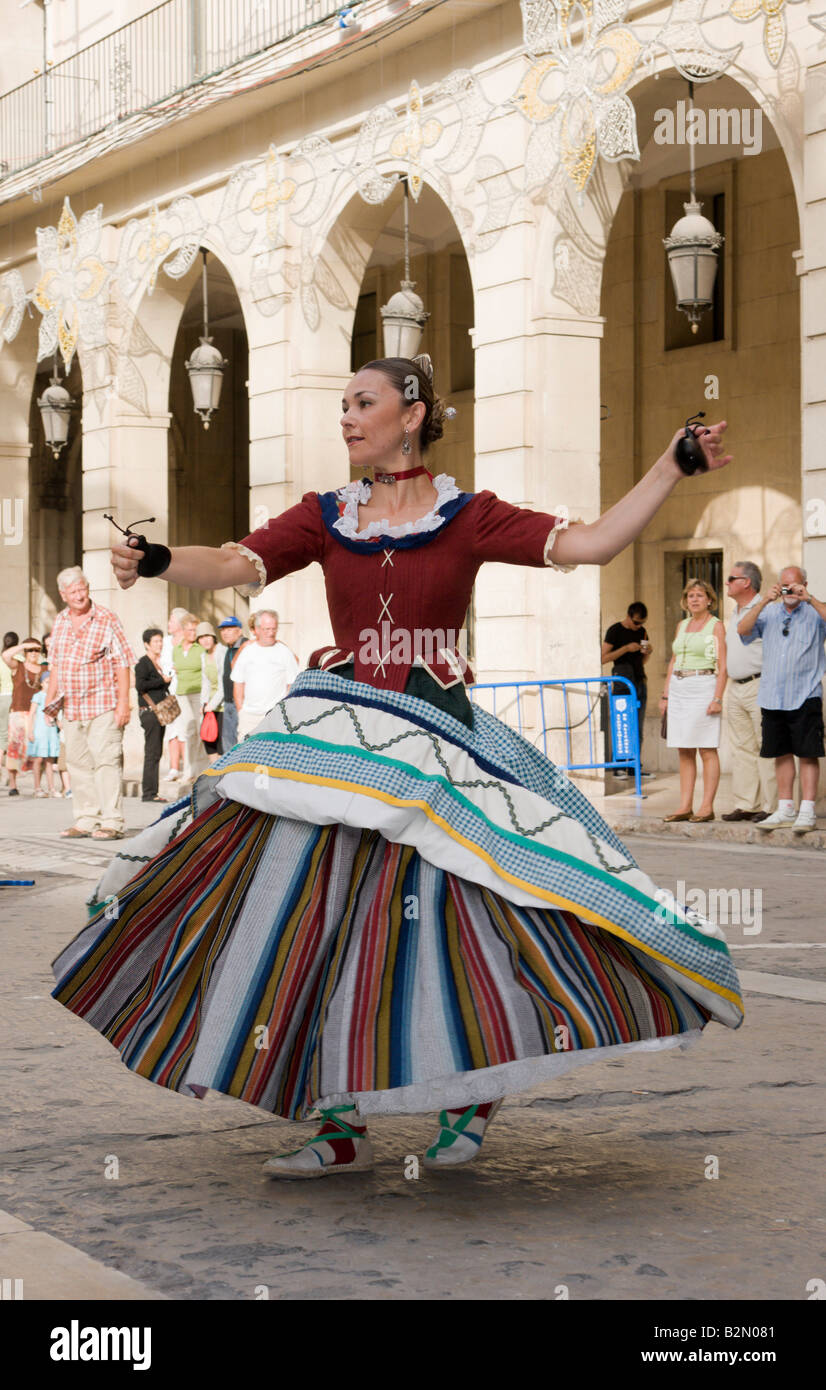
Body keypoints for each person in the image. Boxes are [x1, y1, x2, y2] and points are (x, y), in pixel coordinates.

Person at [52, 357, 742, 1183]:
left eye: (363, 403)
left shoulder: (470, 515)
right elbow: (237, 563)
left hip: (438, 743)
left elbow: (588, 544)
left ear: (411, 415)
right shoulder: (324, 515)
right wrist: (160, 560)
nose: (346, 418)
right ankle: (338, 1126)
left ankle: (470, 1098)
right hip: (343, 743)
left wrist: (672, 464)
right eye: (343, 405)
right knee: (316, 923)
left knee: (465, 926)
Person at [43, 566, 136, 840]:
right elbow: (56, 666)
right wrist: (50, 704)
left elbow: (123, 663)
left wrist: (123, 704)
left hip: (103, 704)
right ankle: (86, 820)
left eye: (83, 589)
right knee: (78, 764)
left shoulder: (106, 618)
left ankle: (112, 821)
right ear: (63, 595)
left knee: (106, 761)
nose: (79, 595)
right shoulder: (60, 621)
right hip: (71, 707)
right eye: (73, 591)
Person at [738, 566, 826, 833]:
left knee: (808, 754)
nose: (789, 591)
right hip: (773, 695)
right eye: (785, 586)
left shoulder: (814, 611)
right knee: (781, 753)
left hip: (805, 694)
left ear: (804, 584)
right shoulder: (770, 612)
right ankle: (785, 808)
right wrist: (764, 599)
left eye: (794, 585)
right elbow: (743, 630)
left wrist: (808, 597)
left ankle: (807, 810)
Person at [659, 579, 726, 823]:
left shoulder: (716, 626)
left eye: (699, 595)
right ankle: (684, 806)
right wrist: (666, 694)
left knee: (706, 748)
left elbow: (723, 664)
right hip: (679, 688)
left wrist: (717, 697)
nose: (694, 599)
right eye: (690, 596)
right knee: (684, 749)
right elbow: (673, 660)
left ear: (709, 599)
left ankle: (706, 807)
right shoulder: (682, 625)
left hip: (704, 685)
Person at [721, 562, 776, 822]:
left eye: (732, 578)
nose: (727, 582)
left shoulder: (765, 609)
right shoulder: (734, 612)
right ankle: (747, 803)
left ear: (747, 582)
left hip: (759, 683)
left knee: (766, 746)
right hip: (737, 686)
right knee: (742, 748)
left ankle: (771, 805)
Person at [231, 610, 299, 741]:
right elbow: (238, 683)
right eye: (267, 629)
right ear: (257, 629)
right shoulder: (247, 651)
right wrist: (241, 711)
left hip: (275, 716)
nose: (271, 632)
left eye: (274, 629)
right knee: (246, 758)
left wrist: (285, 712)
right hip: (249, 717)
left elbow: (292, 685)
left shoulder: (284, 651)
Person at [601, 601, 652, 776]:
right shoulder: (615, 631)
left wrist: (646, 653)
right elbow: (603, 658)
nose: (638, 626)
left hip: (639, 680)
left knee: (638, 726)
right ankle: (619, 765)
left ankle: (634, 766)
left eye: (642, 623)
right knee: (622, 723)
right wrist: (625, 649)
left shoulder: (643, 632)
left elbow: (642, 660)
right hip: (622, 682)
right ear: (628, 616)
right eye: (636, 622)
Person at [170, 613, 211, 786]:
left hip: (198, 694)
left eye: (195, 630)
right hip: (182, 694)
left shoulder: (200, 649)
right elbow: (176, 670)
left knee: (200, 732)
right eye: (190, 629)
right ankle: (188, 771)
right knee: (188, 733)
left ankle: (199, 770)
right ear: (183, 630)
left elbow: (205, 672)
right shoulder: (177, 649)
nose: (193, 633)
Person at [135, 628, 172, 803]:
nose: (159, 644)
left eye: (160, 641)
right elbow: (140, 685)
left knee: (155, 752)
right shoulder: (143, 663)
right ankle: (149, 793)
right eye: (155, 641)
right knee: (152, 752)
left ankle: (152, 791)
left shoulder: (157, 662)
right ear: (146, 644)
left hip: (158, 713)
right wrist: (162, 681)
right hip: (150, 713)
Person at [1, 636, 42, 794]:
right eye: (30, 650)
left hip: (36, 713)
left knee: (36, 750)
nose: (33, 652)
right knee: (15, 749)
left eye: (36, 650)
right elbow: (5, 656)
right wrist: (24, 645)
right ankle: (13, 785)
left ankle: (37, 785)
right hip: (18, 711)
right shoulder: (18, 666)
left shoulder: (43, 668)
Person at [159, 608, 189, 781]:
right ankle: (173, 768)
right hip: (169, 693)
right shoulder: (165, 641)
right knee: (172, 730)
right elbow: (162, 662)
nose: (169, 624)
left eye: (171, 621)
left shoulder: (187, 641)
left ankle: (187, 767)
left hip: (185, 690)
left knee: (185, 731)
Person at [26, 671, 61, 796]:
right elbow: (31, 715)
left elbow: (57, 716)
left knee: (50, 761)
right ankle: (37, 788)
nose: (49, 685)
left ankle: (52, 788)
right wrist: (29, 731)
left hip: (51, 732)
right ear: (42, 684)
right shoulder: (38, 696)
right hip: (39, 732)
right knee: (39, 759)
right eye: (47, 682)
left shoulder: (55, 698)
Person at [217, 617, 248, 753]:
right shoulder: (229, 649)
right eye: (223, 630)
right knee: (228, 743)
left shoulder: (246, 646)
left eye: (229, 629)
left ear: (239, 630)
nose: (225, 633)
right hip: (228, 702)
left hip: (242, 703)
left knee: (241, 742)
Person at [196, 621, 225, 761]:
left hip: (223, 705)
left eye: (207, 636)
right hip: (209, 705)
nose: (205, 640)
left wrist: (211, 705)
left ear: (213, 636)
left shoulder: (222, 652)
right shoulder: (204, 656)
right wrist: (203, 704)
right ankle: (214, 773)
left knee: (221, 743)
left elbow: (223, 685)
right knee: (208, 740)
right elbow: (205, 683)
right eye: (201, 637)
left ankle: (222, 777)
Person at [0, 630, 18, 787]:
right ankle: (7, 774)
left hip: (0, 697)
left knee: (1, 738)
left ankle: (2, 772)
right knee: (9, 737)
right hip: (12, 698)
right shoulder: (17, 658)